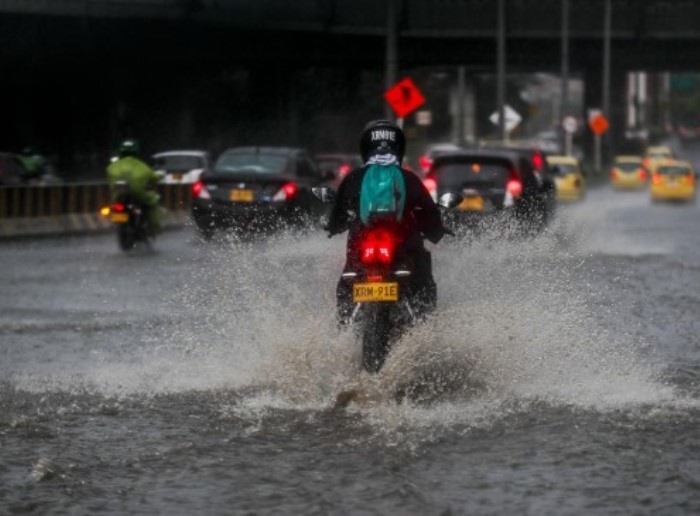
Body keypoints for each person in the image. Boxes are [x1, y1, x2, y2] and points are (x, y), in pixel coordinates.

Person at [326, 119, 451, 323]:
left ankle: (343, 325)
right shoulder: (409, 178)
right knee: (422, 275)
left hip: (361, 246)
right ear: (399, 148)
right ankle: (426, 323)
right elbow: (428, 211)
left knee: (347, 280)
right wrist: (436, 230)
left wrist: (333, 226)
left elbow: (338, 212)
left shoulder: (354, 178)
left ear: (365, 148)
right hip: (404, 246)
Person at [106, 139, 163, 234]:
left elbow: (109, 177)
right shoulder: (141, 166)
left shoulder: (113, 167)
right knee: (153, 201)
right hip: (138, 195)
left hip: (118, 196)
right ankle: (155, 228)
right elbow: (153, 176)